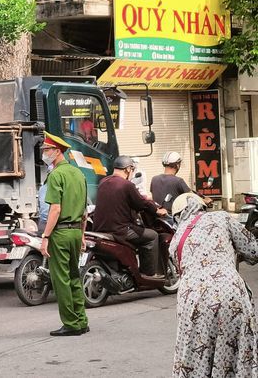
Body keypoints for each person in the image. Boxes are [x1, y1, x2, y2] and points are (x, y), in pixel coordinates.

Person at [170, 193, 258, 377]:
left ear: (178, 216)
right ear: (201, 206)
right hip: (230, 294)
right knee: (237, 355)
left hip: (192, 301)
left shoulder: (175, 241)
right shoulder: (222, 217)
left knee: (194, 360)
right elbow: (253, 251)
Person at [39, 131, 89, 337]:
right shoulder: (79, 174)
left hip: (59, 234)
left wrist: (45, 237)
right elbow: (85, 211)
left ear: (56, 151)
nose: (43, 153)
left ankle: (71, 323)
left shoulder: (56, 175)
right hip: (76, 232)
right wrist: (83, 235)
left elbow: (55, 209)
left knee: (61, 280)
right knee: (75, 276)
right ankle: (82, 320)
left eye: (46, 150)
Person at [94, 156, 168, 279]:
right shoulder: (126, 185)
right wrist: (157, 210)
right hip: (120, 230)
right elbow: (140, 204)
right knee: (152, 236)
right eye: (131, 169)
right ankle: (148, 273)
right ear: (128, 169)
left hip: (100, 228)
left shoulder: (103, 182)